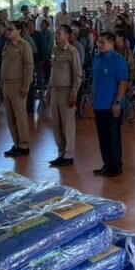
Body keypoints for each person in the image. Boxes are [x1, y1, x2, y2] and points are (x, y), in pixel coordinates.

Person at [91, 32, 129, 178]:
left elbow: (123, 82)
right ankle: (107, 164)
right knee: (102, 137)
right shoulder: (96, 59)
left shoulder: (118, 60)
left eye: (103, 42)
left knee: (113, 137)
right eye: (99, 42)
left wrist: (118, 102)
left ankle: (116, 166)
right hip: (99, 104)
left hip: (112, 105)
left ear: (112, 44)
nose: (100, 45)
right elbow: (95, 81)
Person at [48, 25, 83, 168]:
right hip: (54, 91)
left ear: (67, 36)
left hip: (66, 91)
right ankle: (61, 152)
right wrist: (48, 89)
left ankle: (68, 155)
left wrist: (74, 94)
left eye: (59, 33)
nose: (56, 36)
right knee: (56, 124)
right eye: (55, 33)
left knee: (67, 125)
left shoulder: (72, 52)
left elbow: (77, 75)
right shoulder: (55, 50)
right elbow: (53, 71)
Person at [1, 21, 34, 157]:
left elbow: (29, 66)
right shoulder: (7, 45)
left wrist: (26, 85)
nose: (7, 31)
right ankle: (16, 143)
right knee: (10, 116)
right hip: (6, 84)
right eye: (7, 29)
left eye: (11, 29)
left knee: (20, 116)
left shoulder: (23, 45)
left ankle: (24, 145)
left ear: (19, 31)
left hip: (18, 84)